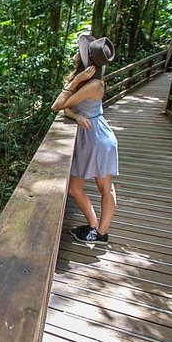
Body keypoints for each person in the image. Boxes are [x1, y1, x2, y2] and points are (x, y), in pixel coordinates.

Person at [51, 35, 118, 245]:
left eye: (78, 52)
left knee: (97, 189)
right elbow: (67, 108)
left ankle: (98, 231)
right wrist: (76, 115)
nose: (74, 54)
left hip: (97, 140)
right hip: (95, 135)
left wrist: (76, 81)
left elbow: (57, 105)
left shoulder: (92, 84)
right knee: (93, 187)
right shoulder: (89, 82)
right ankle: (97, 229)